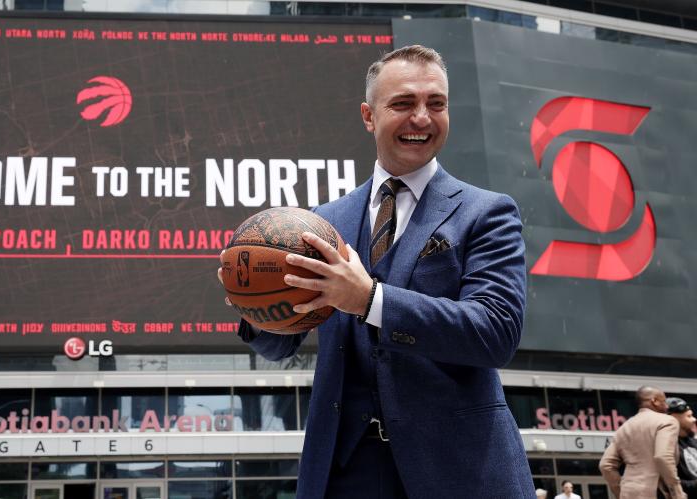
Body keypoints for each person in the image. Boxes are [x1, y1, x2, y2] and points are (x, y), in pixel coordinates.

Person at [220, 45, 532, 498]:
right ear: (369, 116)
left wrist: (370, 300)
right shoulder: (322, 221)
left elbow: (495, 332)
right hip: (343, 473)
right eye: (403, 103)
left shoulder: (487, 212)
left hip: (455, 469)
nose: (422, 118)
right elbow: (280, 344)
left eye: (436, 104)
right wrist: (254, 306)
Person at [600, 386, 686, 499]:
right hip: (656, 491)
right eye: (664, 401)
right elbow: (663, 456)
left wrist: (620, 492)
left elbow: (606, 465)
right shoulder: (667, 421)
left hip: (629, 492)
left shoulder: (624, 427)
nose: (667, 406)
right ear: (654, 401)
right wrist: (676, 491)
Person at [667, 397, 697, 497]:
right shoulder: (667, 447)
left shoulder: (693, 442)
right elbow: (669, 481)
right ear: (674, 418)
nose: (694, 419)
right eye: (689, 416)